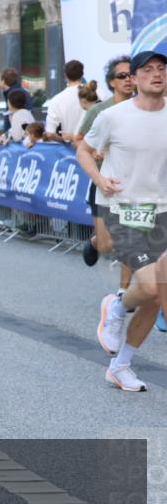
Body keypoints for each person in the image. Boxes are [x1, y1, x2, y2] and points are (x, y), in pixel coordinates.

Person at [82, 51, 167, 392]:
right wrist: (100, 180)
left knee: (158, 295)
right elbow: (84, 151)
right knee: (146, 286)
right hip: (123, 209)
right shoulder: (113, 117)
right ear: (133, 79)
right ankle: (116, 305)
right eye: (147, 70)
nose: (157, 74)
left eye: (162, 69)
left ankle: (121, 366)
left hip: (163, 210)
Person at [75, 55, 135, 282]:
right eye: (122, 76)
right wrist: (95, 151)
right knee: (107, 244)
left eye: (131, 75)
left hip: (134, 184)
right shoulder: (100, 111)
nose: (128, 80)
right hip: (104, 182)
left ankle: (124, 293)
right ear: (111, 82)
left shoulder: (148, 108)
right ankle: (94, 242)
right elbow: (79, 143)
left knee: (130, 237)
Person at [45, 60, 87, 144]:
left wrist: (65, 141)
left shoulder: (56, 100)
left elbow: (50, 133)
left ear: (65, 75)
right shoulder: (98, 94)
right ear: (82, 74)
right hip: (93, 150)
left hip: (69, 151)